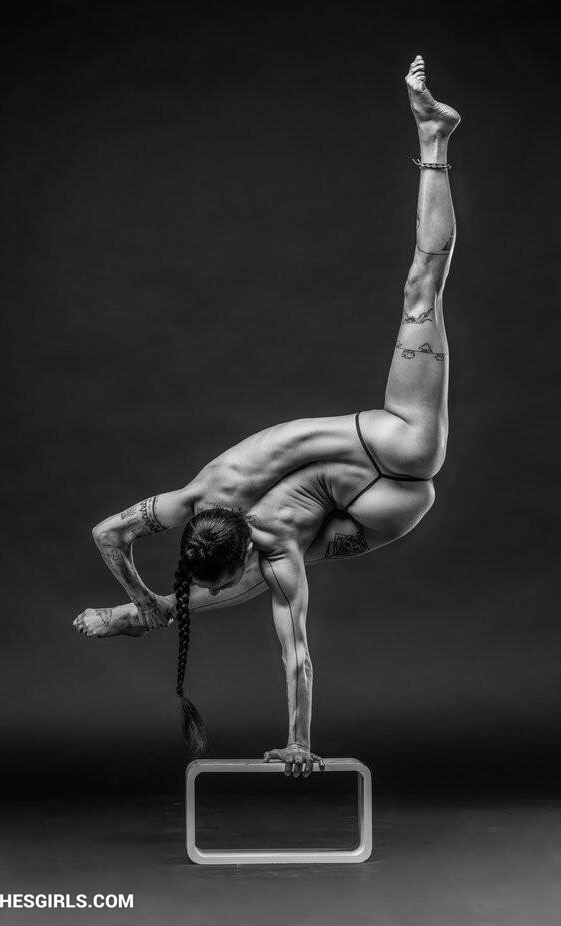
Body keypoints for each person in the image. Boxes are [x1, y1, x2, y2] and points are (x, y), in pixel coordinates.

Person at [74, 55, 460, 778]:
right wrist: (145, 597)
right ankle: (149, 612)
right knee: (421, 292)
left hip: (394, 475)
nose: (231, 585)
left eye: (227, 577)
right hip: (388, 476)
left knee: (422, 287)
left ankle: (433, 137)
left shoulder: (269, 544)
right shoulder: (202, 506)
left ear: (242, 546)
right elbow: (107, 534)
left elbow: (296, 651)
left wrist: (144, 607)